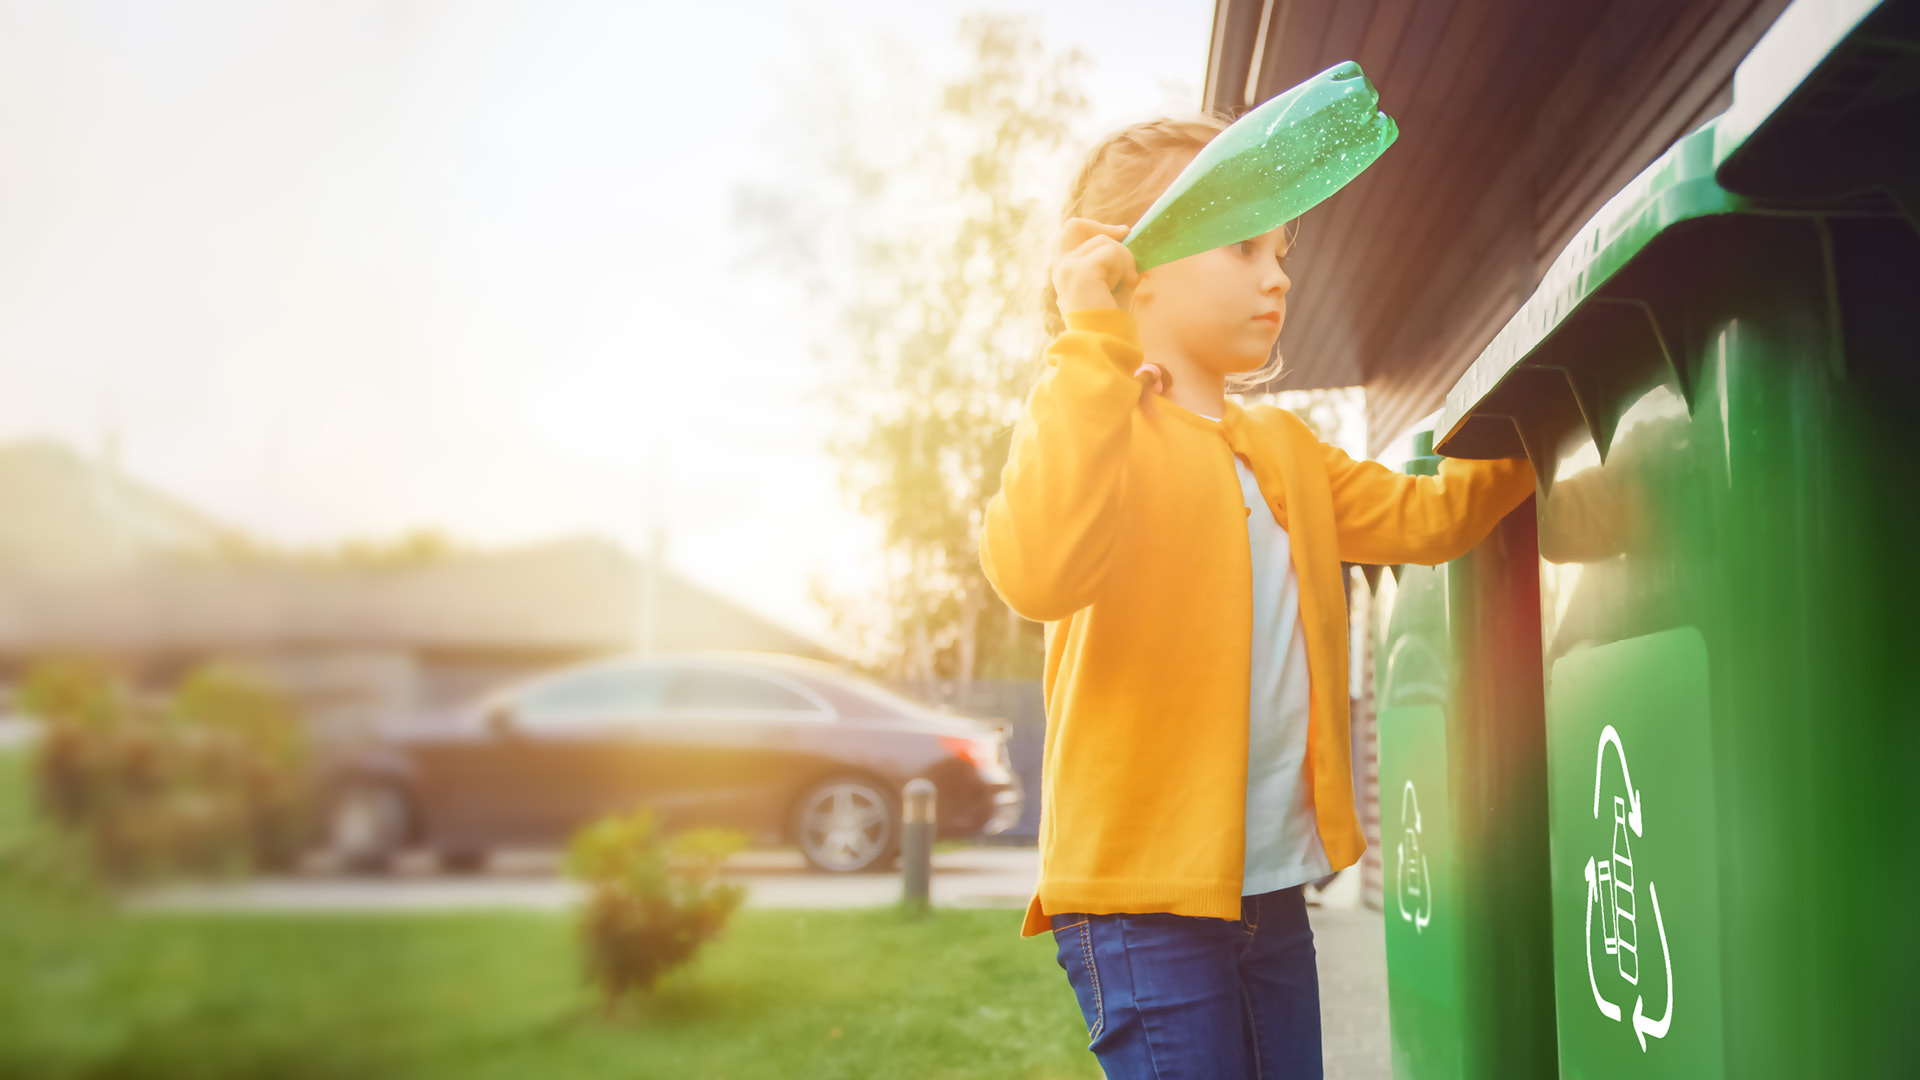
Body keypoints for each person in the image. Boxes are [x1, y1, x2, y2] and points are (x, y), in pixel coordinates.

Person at [978, 113, 1536, 1079]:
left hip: (1268, 893)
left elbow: (1427, 516)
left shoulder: (1283, 449)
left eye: (1280, 250)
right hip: (1140, 900)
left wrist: (1547, 430)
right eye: (1243, 245)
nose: (1277, 276)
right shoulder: (1094, 425)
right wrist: (1091, 341)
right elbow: (1036, 570)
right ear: (1129, 267)